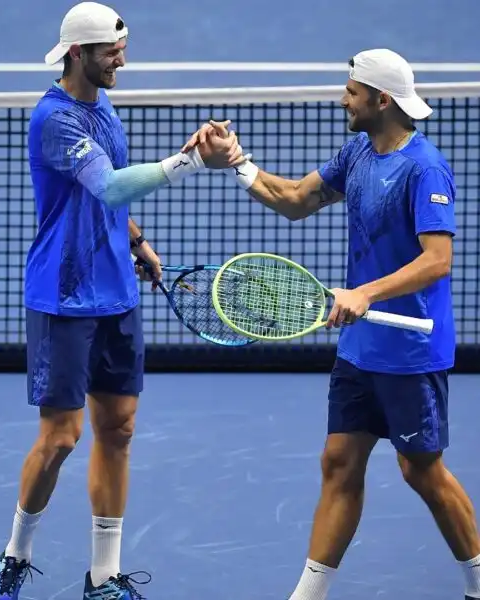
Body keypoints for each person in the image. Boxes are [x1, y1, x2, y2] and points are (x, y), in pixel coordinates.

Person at [184, 48, 480, 600]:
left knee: (423, 473)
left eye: (351, 91)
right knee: (340, 462)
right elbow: (296, 199)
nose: (343, 98)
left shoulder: (424, 167)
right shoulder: (359, 152)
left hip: (410, 354)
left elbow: (438, 260)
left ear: (380, 99)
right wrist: (238, 161)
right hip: (359, 348)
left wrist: (365, 292)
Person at [0, 3, 243, 600]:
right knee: (60, 439)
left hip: (117, 296)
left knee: (118, 430)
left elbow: (112, 202)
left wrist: (139, 242)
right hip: (65, 296)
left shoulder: (105, 110)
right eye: (111, 51)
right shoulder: (55, 119)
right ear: (78, 53)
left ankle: (103, 576)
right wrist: (188, 161)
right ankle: (15, 557)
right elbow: (109, 183)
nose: (121, 58)